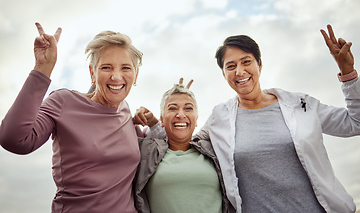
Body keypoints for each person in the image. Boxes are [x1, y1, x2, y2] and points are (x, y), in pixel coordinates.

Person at [137, 25, 359, 212]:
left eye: (246, 62)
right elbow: (184, 140)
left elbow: (354, 123)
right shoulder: (220, 118)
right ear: (224, 74)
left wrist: (348, 75)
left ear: (259, 65)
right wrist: (173, 113)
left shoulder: (300, 104)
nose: (239, 71)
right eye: (230, 66)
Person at [0, 23, 144, 213]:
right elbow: (13, 140)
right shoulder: (63, 102)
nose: (116, 77)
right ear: (93, 73)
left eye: (126, 68)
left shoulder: (126, 112)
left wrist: (153, 123)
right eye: (106, 67)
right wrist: (42, 68)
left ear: (135, 75)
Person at [133, 81, 235, 213]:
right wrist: (138, 120)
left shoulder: (213, 150)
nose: (181, 114)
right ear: (162, 120)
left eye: (188, 108)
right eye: (173, 108)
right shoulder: (146, 151)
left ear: (196, 119)